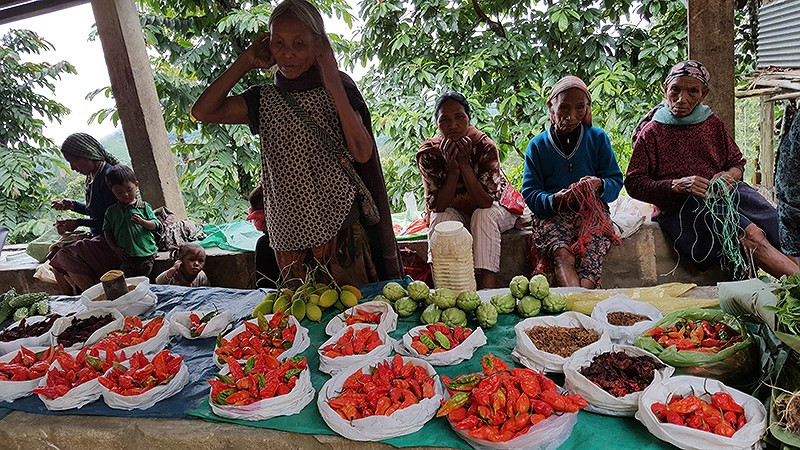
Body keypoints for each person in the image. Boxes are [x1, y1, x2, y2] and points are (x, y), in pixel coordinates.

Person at [191, 0, 403, 286]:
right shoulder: (263, 99)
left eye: (299, 44)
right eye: (278, 43)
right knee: (305, 322)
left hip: (339, 233)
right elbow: (202, 111)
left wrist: (331, 77)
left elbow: (362, 152)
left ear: (320, 45)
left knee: (355, 317)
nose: (288, 54)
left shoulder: (339, 88)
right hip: (288, 241)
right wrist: (246, 61)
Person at [626, 60, 798, 278]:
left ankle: (793, 284)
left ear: (703, 94)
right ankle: (796, 287)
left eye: (693, 92)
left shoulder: (711, 123)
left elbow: (737, 164)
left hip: (724, 194)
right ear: (665, 88)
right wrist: (676, 185)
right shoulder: (652, 132)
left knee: (777, 224)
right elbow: (634, 183)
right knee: (751, 235)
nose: (682, 99)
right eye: (675, 90)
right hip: (683, 206)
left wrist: (728, 176)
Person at [521, 76, 623, 288]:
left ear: (587, 108)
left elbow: (615, 181)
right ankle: (578, 304)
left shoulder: (597, 138)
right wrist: (555, 199)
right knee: (562, 254)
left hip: (591, 212)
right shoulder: (537, 146)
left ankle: (578, 304)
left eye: (580, 108)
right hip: (553, 215)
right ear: (551, 106)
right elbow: (530, 193)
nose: (571, 115)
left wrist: (600, 184)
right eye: (564, 107)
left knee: (591, 255)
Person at [417, 92, 521, 289]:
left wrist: (464, 165)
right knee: (441, 220)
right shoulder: (430, 154)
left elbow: (486, 202)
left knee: (483, 216)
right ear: (437, 125)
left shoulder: (484, 146)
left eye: (459, 117)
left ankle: (487, 289)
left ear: (469, 119)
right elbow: (438, 206)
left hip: (494, 208)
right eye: (445, 120)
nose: (453, 125)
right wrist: (453, 171)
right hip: (457, 212)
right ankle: (445, 290)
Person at [49, 133, 121, 294]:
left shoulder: (109, 176)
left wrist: (78, 223)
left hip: (114, 241)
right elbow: (94, 210)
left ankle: (98, 298)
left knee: (65, 255)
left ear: (88, 155)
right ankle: (71, 300)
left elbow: (111, 220)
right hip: (99, 237)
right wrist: (72, 206)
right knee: (54, 253)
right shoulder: (92, 176)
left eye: (74, 162)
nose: (74, 168)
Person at [103, 165, 160, 277]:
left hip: (146, 252)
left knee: (145, 278)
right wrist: (115, 248)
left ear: (136, 185)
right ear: (112, 191)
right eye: (119, 192)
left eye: (129, 190)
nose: (125, 195)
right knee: (129, 280)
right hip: (126, 255)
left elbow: (155, 225)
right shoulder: (111, 212)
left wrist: (143, 222)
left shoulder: (143, 207)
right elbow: (107, 231)